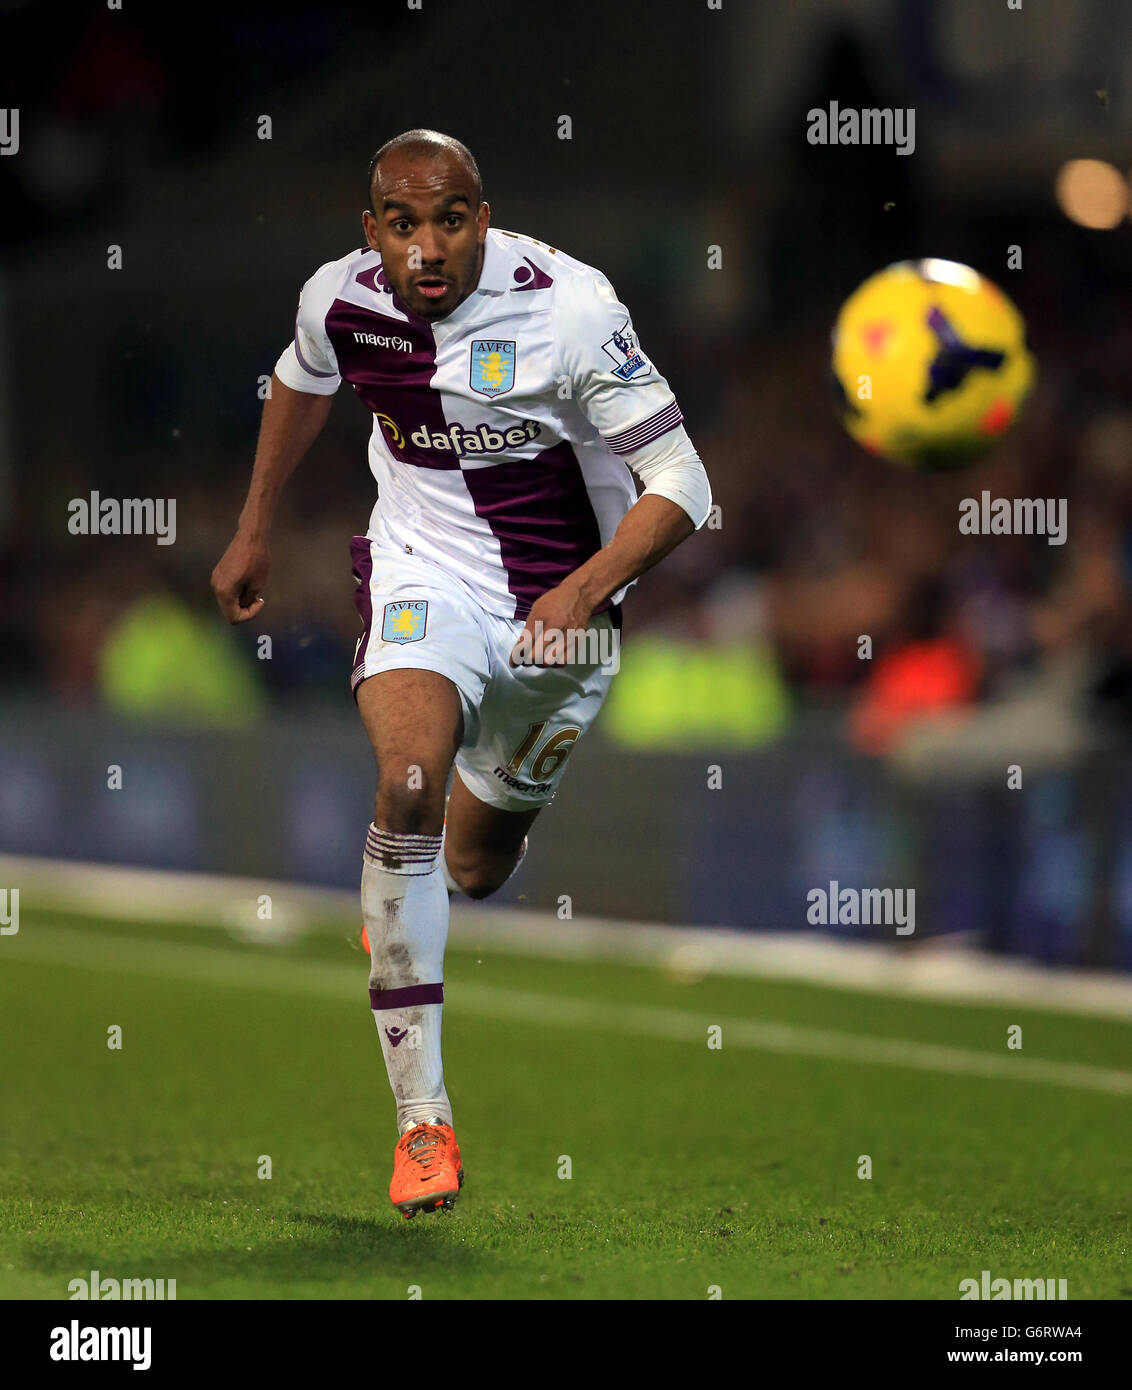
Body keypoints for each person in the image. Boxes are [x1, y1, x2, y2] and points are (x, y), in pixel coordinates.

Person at [211, 129, 712, 1219]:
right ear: (372, 232)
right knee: (406, 790)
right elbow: (301, 381)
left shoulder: (570, 308)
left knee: (476, 865)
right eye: (403, 224)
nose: (428, 247)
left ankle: (401, 906)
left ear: (483, 215)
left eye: (452, 218)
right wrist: (253, 527)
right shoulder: (338, 301)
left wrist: (584, 587)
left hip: (561, 624)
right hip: (421, 574)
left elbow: (684, 480)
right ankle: (423, 1122)